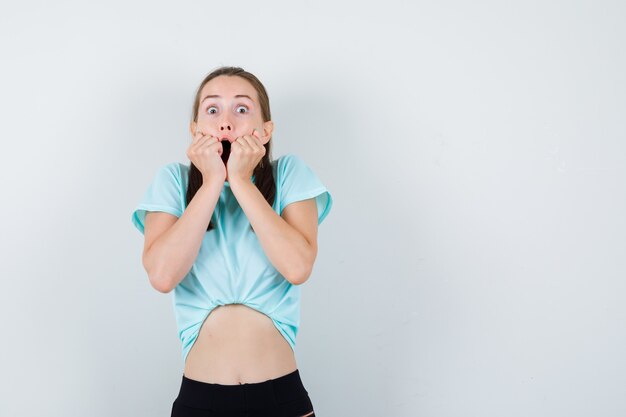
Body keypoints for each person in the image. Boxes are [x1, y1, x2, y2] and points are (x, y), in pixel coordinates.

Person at [131, 66, 333, 417]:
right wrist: (212, 182)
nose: (226, 122)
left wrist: (240, 180)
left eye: (242, 109)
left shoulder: (289, 174)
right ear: (195, 130)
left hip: (281, 397)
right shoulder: (173, 182)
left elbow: (298, 266)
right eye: (212, 110)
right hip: (201, 400)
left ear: (265, 130)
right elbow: (162, 276)